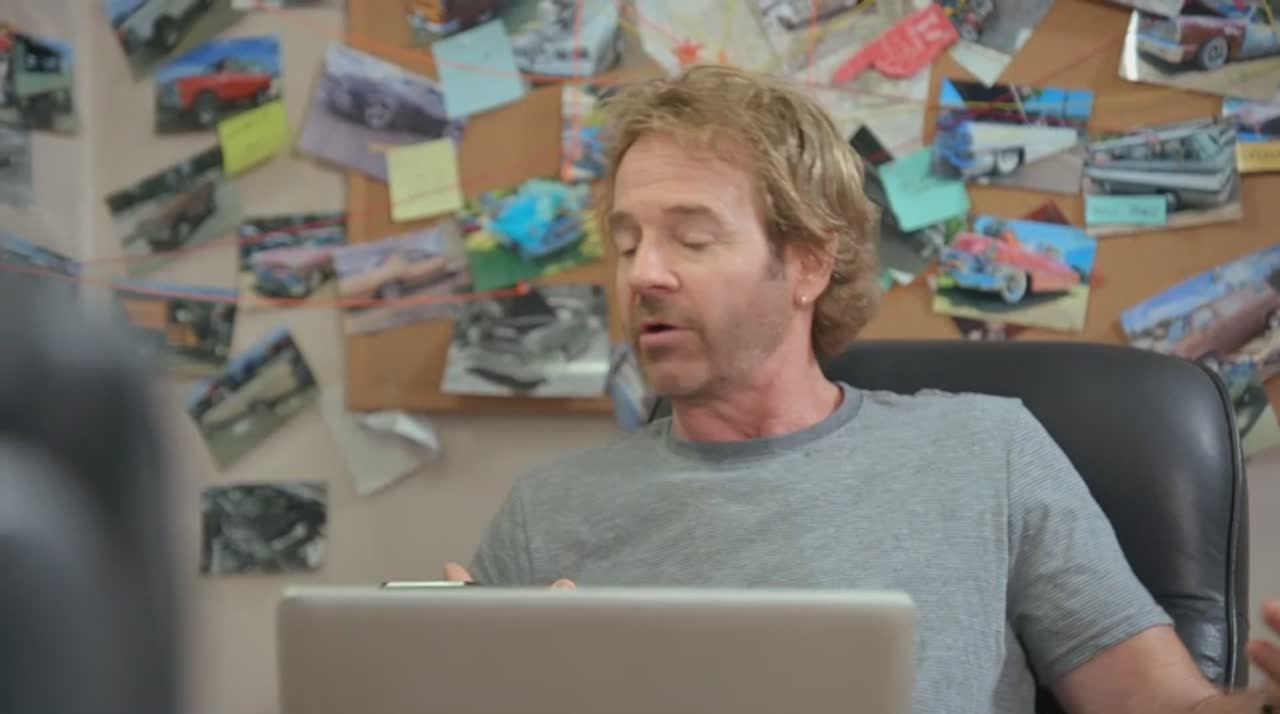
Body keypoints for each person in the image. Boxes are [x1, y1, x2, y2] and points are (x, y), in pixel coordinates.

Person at [443, 65, 1280, 714]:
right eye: (627, 245)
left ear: (809, 264)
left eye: (690, 239)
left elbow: (1161, 704)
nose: (643, 275)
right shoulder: (548, 515)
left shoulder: (986, 457)